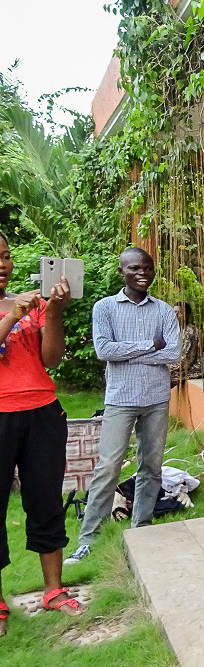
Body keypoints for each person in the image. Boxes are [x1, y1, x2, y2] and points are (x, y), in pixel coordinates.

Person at [65, 248, 180, 566]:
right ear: (122, 272)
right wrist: (148, 346)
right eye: (135, 268)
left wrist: (127, 351)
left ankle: (140, 529)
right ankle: (89, 540)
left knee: (151, 467)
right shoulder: (105, 308)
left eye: (148, 268)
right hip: (120, 399)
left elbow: (172, 353)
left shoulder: (164, 311)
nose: (143, 273)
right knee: (108, 467)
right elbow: (104, 349)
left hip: (157, 398)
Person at [0, 233, 82, 634]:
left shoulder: (31, 306)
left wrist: (54, 313)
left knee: (46, 500)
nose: (3, 264)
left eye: (6, 256)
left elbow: (50, 360)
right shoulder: (17, 308)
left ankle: (53, 590)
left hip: (42, 414)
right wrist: (13, 314)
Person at [169, 302, 204, 387]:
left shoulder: (190, 332)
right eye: (174, 312)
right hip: (179, 367)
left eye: (179, 312)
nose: (175, 315)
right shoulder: (178, 330)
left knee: (161, 378)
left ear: (185, 315)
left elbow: (185, 361)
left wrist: (166, 367)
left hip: (194, 369)